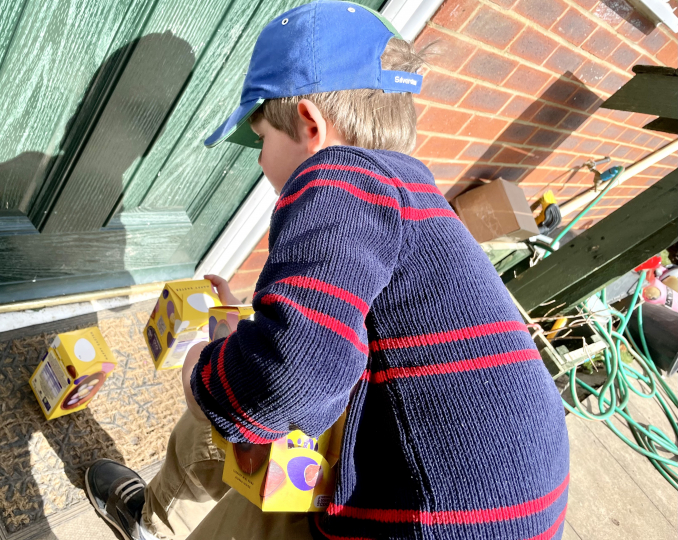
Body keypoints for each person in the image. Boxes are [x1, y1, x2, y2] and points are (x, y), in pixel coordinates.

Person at [84, 2, 570, 539]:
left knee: (239, 391)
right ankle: (163, 521)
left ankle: (157, 524)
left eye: (262, 140)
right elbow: (332, 365)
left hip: (428, 518)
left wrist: (203, 374)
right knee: (273, 425)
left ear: (311, 125)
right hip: (508, 505)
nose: (260, 161)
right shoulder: (418, 193)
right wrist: (241, 338)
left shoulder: (342, 177)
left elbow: (288, 382)